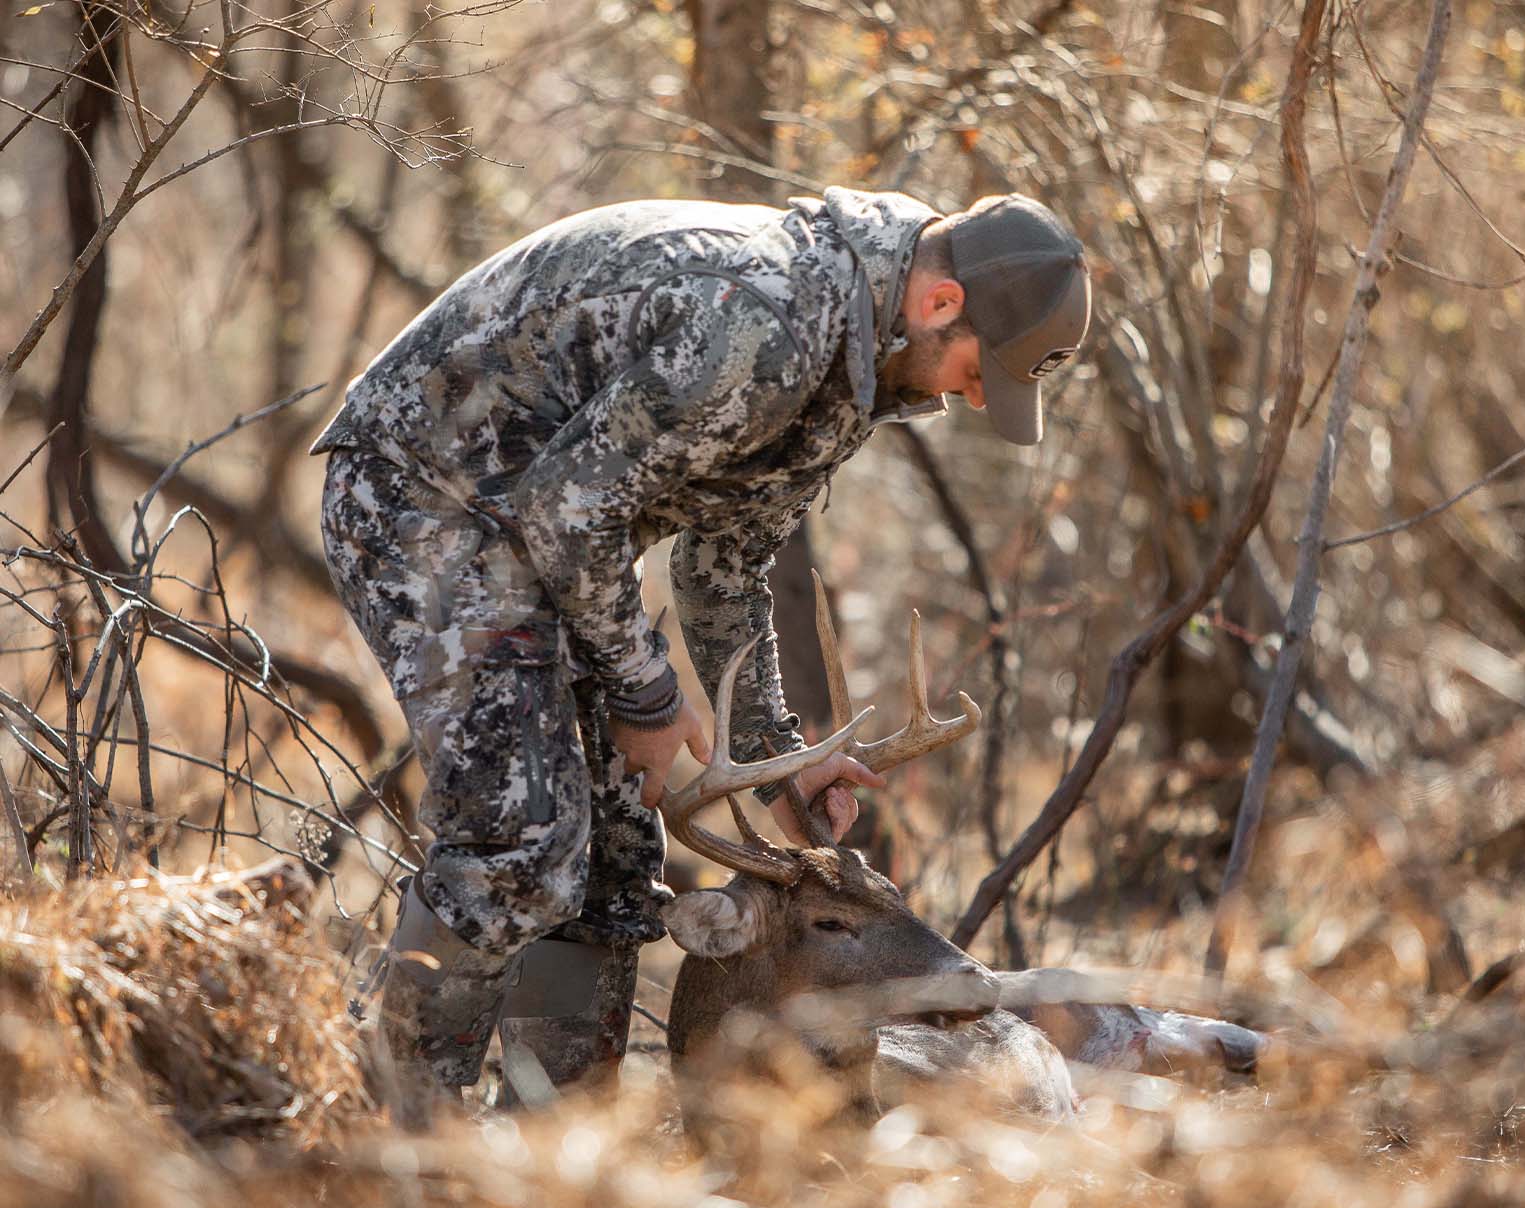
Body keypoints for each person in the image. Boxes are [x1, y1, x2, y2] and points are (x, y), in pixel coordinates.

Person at [312, 187, 1091, 1126]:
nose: (970, 396)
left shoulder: (857, 363)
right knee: (518, 843)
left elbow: (722, 568)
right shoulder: (763, 324)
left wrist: (782, 765)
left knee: (612, 862)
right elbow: (567, 508)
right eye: (979, 372)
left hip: (544, 534)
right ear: (938, 304)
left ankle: (562, 1150)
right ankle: (392, 1144)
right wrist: (646, 694)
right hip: (427, 498)